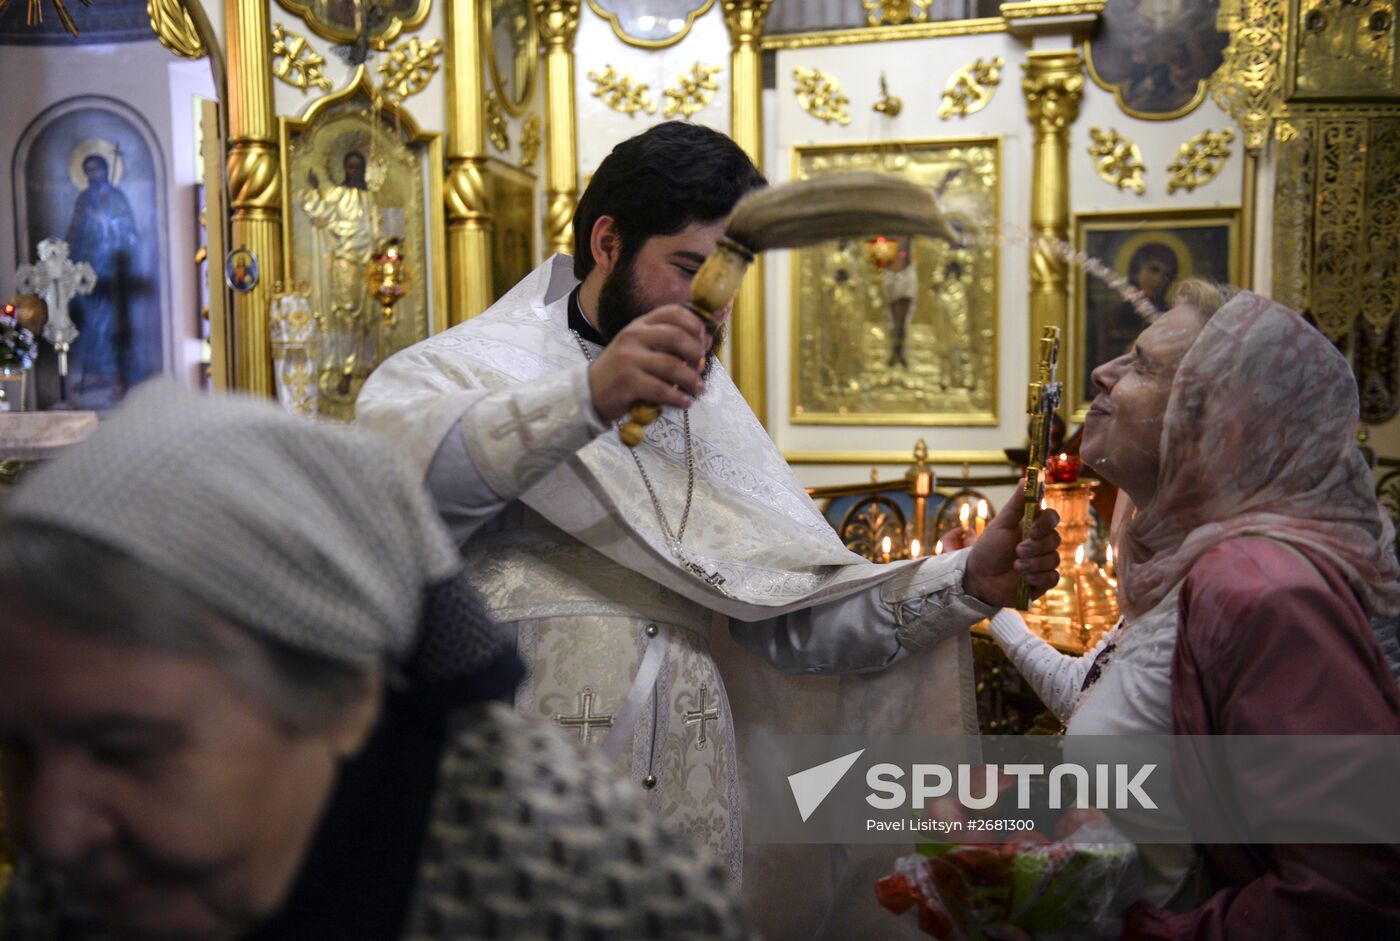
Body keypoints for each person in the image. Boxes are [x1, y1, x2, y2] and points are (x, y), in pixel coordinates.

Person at [355, 120, 1062, 936]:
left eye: (728, 277)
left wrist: (971, 579)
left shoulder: (714, 413)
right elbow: (394, 491)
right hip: (512, 802)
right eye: (688, 269)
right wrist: (585, 400)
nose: (712, 309)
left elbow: (793, 620)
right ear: (608, 241)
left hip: (691, 813)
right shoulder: (470, 367)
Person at [0, 381, 756, 941]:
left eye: (129, 750)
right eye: (16, 752)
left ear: (343, 699)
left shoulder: (596, 899)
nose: (52, 830)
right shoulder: (75, 891)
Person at [986, 281, 1400, 937]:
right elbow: (1124, 712)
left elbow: (1349, 893)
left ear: (1216, 426)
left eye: (1143, 364)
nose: (1102, 372)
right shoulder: (1180, 562)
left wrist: (1140, 930)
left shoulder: (1265, 588)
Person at [303, 150, 380, 397]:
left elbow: (378, 230)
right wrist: (315, 190)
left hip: (369, 264)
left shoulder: (370, 199)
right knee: (347, 317)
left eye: (359, 167)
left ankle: (367, 368)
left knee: (369, 318)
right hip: (345, 261)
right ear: (345, 169)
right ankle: (346, 371)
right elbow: (318, 212)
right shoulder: (337, 194)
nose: (354, 171)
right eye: (350, 167)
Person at [65, 153, 137, 400]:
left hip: (112, 270)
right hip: (87, 269)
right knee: (90, 323)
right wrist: (65, 253)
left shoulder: (117, 198)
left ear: (105, 171)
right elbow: (74, 230)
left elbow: (130, 234)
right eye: (88, 171)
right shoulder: (84, 199)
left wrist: (106, 222)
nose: (92, 176)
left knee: (111, 323)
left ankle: (116, 376)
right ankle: (94, 374)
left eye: (96, 170)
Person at [1089, 242, 1178, 401]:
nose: (1159, 279)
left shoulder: (1171, 317)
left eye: (1166, 275)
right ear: (1136, 270)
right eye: (1154, 269)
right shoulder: (1114, 316)